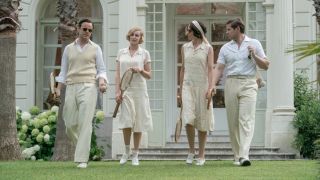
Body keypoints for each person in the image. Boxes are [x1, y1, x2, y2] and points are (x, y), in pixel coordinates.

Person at [213, 18, 269, 166]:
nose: (226, 32)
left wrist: (254, 55)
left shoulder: (254, 43)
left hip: (249, 83)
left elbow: (266, 65)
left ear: (238, 29)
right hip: (231, 83)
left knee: (246, 120)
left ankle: (244, 155)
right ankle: (238, 155)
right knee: (233, 122)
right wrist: (212, 85)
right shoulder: (225, 48)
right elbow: (219, 68)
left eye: (229, 29)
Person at [55, 18, 108, 168]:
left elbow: (101, 69)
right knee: (69, 124)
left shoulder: (96, 48)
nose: (87, 32)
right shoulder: (68, 49)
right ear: (78, 29)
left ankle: (82, 159)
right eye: (85, 29)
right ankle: (84, 148)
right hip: (71, 86)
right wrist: (58, 88)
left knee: (85, 122)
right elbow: (63, 71)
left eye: (90, 30)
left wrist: (102, 82)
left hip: (89, 86)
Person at [179, 20, 215, 166]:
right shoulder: (184, 47)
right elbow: (182, 69)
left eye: (188, 30)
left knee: (202, 121)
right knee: (188, 120)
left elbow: (211, 69)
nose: (186, 33)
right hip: (187, 87)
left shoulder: (208, 48)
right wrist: (180, 90)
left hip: (203, 88)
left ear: (194, 31)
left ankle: (201, 154)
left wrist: (211, 88)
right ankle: (191, 151)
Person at [115, 27, 153, 166]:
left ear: (140, 38)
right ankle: (126, 152)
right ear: (128, 36)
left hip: (140, 91)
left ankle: (135, 154)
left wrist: (141, 70)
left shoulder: (145, 53)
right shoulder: (121, 53)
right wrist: (117, 91)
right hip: (126, 91)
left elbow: (149, 75)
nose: (134, 37)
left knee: (138, 122)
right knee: (126, 122)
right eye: (132, 34)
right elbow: (117, 74)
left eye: (137, 35)